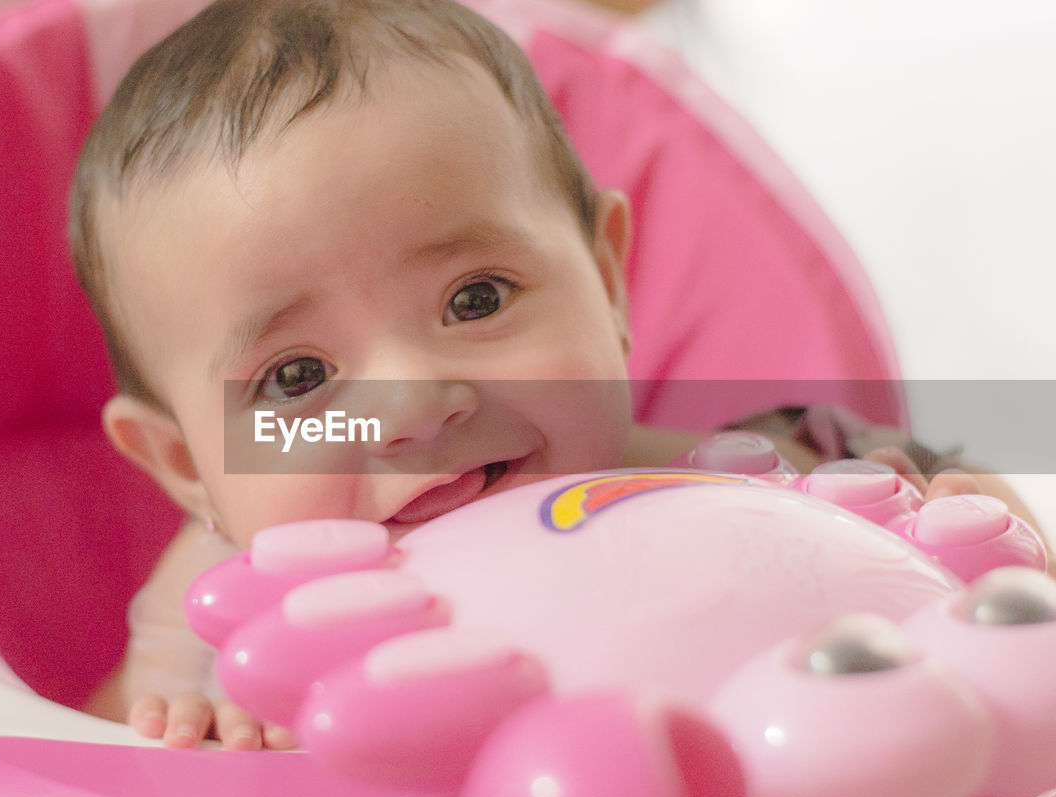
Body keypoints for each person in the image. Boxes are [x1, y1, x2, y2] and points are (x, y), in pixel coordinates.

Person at [68, 0, 1031, 750]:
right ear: (188, 463)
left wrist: (963, 543)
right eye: (297, 376)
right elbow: (80, 754)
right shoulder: (206, 611)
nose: (410, 402)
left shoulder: (786, 473)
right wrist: (197, 722)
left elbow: (993, 554)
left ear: (608, 280)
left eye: (477, 298)